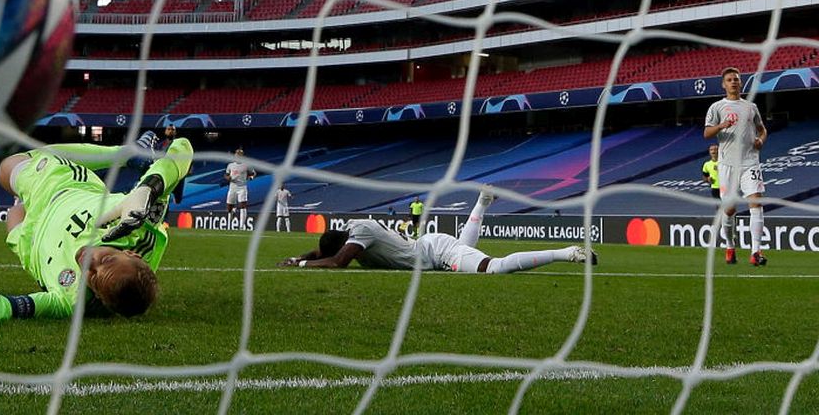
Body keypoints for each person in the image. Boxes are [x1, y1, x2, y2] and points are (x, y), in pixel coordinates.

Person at [0, 131, 193, 322]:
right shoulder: (140, 232)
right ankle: (123, 155)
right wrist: (149, 188)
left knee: (15, 191)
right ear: (135, 257)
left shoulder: (68, 302)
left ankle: (123, 155)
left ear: (98, 297)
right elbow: (182, 147)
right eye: (107, 259)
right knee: (8, 167)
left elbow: (11, 307)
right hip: (66, 186)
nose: (88, 261)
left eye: (93, 279)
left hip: (31, 233)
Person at [278, 192, 596, 273]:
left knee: (493, 268)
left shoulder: (359, 232)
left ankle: (566, 252)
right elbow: (324, 253)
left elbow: (336, 263)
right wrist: (297, 258)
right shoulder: (346, 234)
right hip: (432, 249)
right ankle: (482, 203)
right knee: (467, 254)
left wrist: (305, 266)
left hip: (435, 251)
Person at [703, 67, 769, 266]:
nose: (733, 82)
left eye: (736, 79)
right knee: (729, 209)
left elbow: (762, 130)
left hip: (750, 162)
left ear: (741, 83)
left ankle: (755, 251)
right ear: (724, 84)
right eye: (729, 79)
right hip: (727, 165)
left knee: (756, 203)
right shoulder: (717, 107)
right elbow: (706, 133)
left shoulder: (750, 107)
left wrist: (761, 140)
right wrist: (721, 126)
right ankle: (730, 246)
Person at [225, 147, 255, 229]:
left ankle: (241, 226)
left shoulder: (246, 165)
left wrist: (251, 177)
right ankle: (229, 225)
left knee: (243, 205)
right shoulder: (230, 165)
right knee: (229, 207)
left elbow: (253, 173)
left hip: (242, 187)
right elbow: (226, 174)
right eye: (236, 154)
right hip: (232, 187)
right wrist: (228, 178)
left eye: (239, 154)